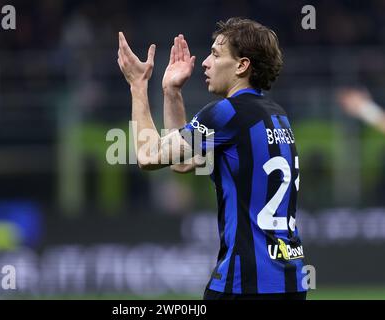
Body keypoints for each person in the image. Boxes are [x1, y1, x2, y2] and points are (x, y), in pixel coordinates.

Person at [117, 17, 307, 300]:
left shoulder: (227, 112)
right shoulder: (276, 115)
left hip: (243, 284)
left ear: (242, 65)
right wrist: (171, 92)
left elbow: (148, 156)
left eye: (216, 55)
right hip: (291, 282)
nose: (205, 62)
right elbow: (182, 163)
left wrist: (137, 85)